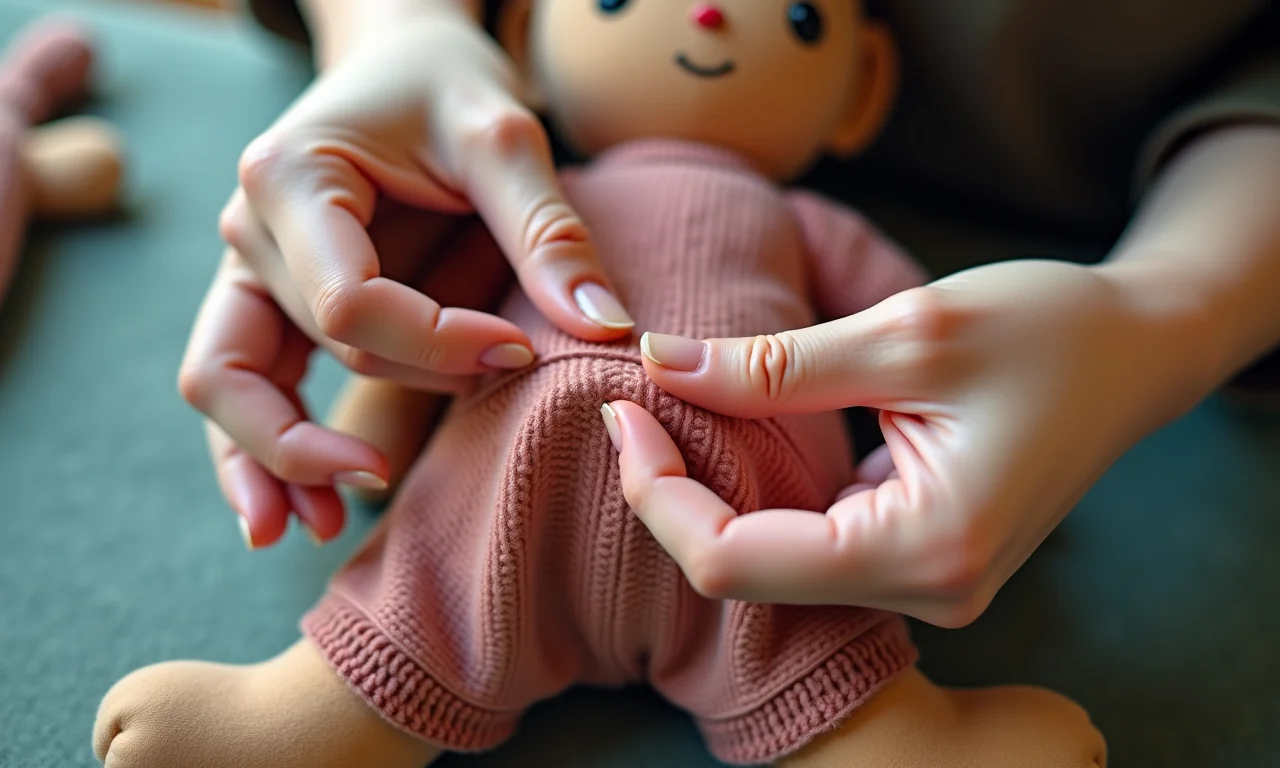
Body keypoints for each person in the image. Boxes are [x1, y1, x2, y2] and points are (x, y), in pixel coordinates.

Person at [194, 0, 1279, 627]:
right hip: (463, 191)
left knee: (800, 650)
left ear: (859, 85)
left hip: (1138, 237)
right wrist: (394, 27)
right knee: (417, 585)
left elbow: (908, 323)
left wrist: (1169, 311)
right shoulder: (515, 184)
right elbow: (412, 347)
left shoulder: (812, 228)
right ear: (523, 35)